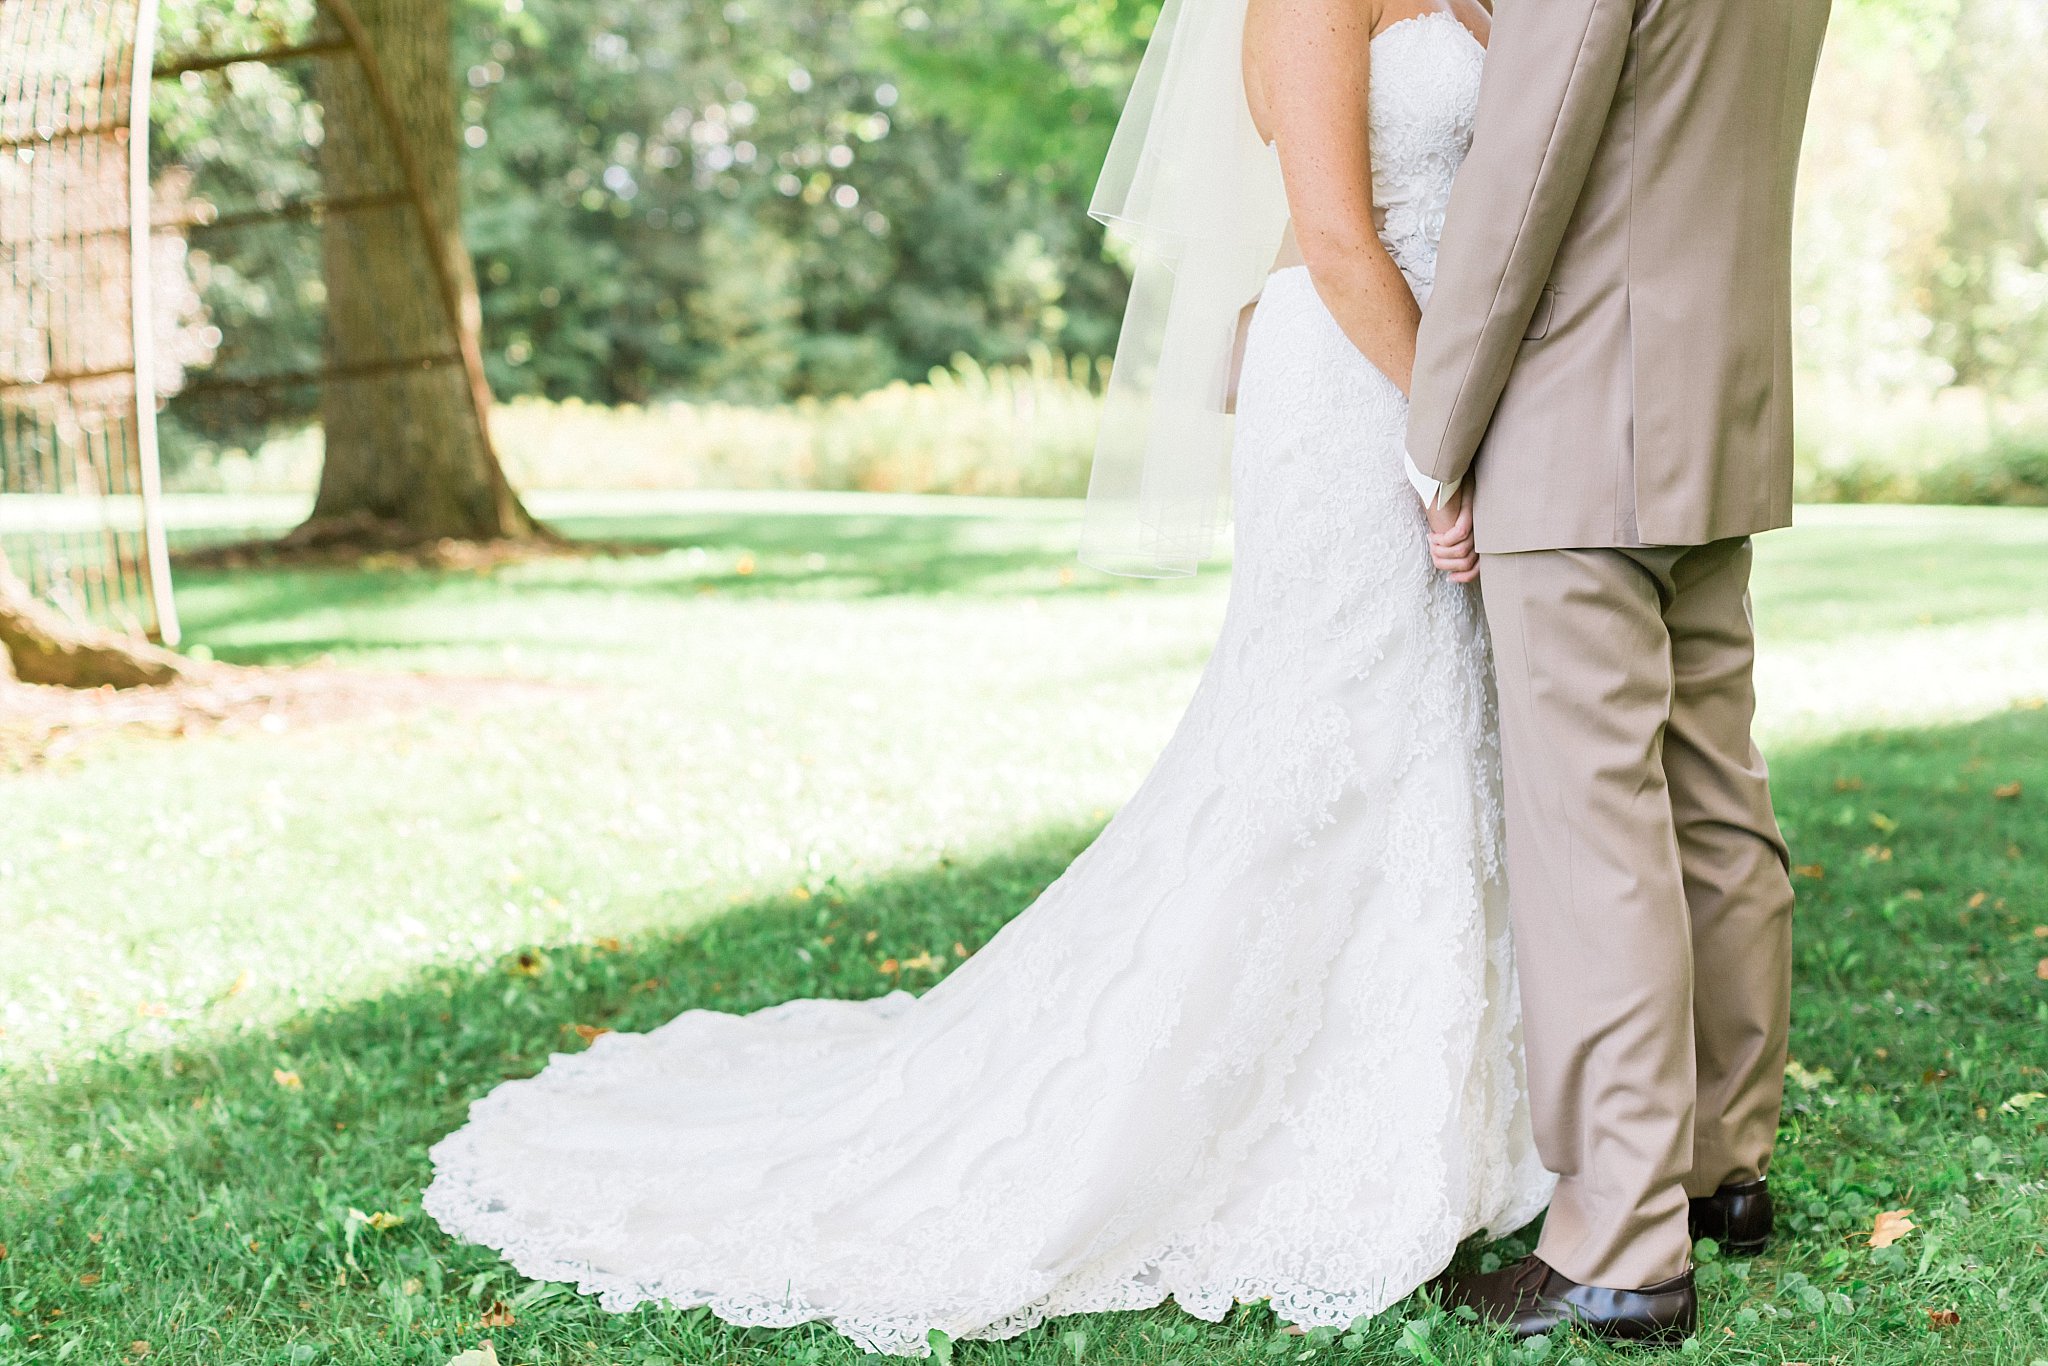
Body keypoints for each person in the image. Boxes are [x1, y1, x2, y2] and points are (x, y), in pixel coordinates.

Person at [1405, 0, 1829, 1341]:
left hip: (1585, 415)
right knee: (1713, 789)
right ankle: (1722, 1168)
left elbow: (1521, 177)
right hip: (1725, 405)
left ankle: (1620, 1238)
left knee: (1595, 832)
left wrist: (1436, 437)